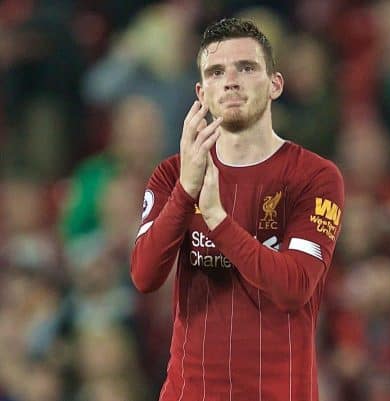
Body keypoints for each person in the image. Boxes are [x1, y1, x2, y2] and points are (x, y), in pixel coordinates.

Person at [130, 18, 345, 401]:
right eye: (216, 72)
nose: (230, 81)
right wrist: (186, 193)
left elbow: (294, 287)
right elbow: (145, 276)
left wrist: (216, 218)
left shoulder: (314, 177)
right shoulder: (172, 175)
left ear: (275, 84)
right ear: (201, 92)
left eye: (246, 68)